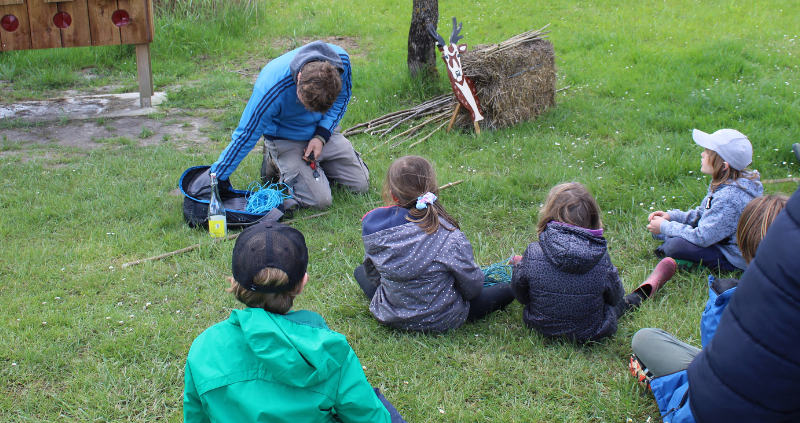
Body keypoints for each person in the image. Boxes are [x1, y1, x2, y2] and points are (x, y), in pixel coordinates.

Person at [183, 220, 406, 423]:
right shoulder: (331, 351)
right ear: (302, 283)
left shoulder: (203, 347)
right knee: (375, 401)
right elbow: (370, 418)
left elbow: (196, 417)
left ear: (235, 282)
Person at [629, 193, 790, 423]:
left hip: (716, 405)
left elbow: (717, 373)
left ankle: (661, 384)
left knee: (645, 338)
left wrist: (666, 225)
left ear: (745, 243)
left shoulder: (729, 300)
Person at [353, 155, 515, 332]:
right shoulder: (449, 234)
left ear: (392, 194)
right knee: (507, 290)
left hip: (391, 314)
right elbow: (472, 288)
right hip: (444, 317)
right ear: (433, 190)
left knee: (359, 271)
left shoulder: (375, 231)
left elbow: (373, 274)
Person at [210, 41, 369, 210]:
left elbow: (342, 99)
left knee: (360, 186)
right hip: (285, 136)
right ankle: (273, 159)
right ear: (299, 78)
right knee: (320, 201)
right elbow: (246, 135)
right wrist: (215, 179)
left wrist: (321, 136)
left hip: (321, 130)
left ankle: (310, 169)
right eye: (305, 103)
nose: (309, 110)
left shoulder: (340, 62)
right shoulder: (271, 87)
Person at [511, 182, 677, 343]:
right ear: (593, 218)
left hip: (540, 325)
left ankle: (522, 266)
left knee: (528, 270)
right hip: (593, 330)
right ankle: (647, 287)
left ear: (549, 214)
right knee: (620, 305)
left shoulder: (533, 251)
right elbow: (615, 298)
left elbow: (522, 296)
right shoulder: (600, 257)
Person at [647, 128, 763, 271]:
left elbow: (702, 237)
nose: (702, 154)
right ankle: (669, 234)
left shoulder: (729, 198)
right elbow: (704, 214)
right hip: (717, 236)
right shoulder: (727, 180)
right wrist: (672, 217)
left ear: (724, 166)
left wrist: (666, 227)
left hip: (732, 255)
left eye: (708, 152)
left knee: (675, 246)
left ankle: (691, 261)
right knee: (662, 231)